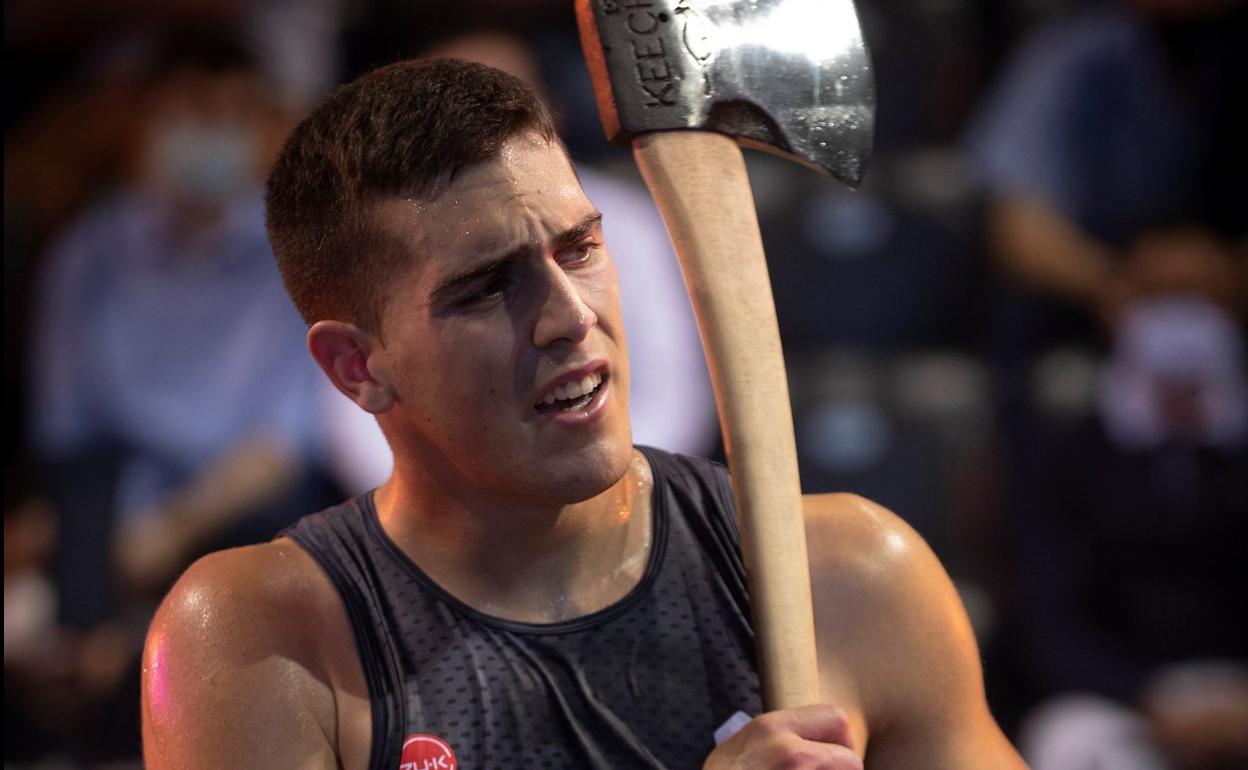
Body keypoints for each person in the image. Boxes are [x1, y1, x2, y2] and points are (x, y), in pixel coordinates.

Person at [140, 58, 1024, 769]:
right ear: (357, 366)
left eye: (580, 248)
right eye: (486, 288)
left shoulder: (851, 578)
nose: (569, 316)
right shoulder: (265, 640)